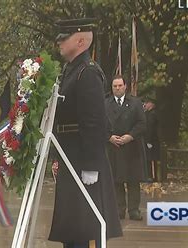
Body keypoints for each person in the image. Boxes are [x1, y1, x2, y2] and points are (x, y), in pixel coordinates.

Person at [49, 18, 123, 248]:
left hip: (82, 157)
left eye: (64, 38)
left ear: (80, 41)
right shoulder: (71, 70)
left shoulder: (87, 73)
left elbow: (94, 123)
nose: (58, 43)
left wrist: (91, 165)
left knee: (85, 225)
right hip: (70, 153)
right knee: (73, 226)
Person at [106, 75, 147, 221]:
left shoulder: (135, 103)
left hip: (132, 147)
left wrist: (130, 136)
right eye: (114, 86)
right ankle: (119, 209)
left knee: (133, 180)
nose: (117, 88)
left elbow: (142, 124)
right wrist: (109, 137)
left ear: (125, 87)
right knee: (116, 180)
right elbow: (100, 124)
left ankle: (134, 210)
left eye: (119, 86)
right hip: (113, 147)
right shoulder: (106, 104)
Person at [143, 100, 162, 182]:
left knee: (151, 159)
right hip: (152, 140)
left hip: (152, 141)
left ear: (151, 104)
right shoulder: (150, 114)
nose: (145, 105)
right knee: (150, 158)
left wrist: (148, 141)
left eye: (147, 103)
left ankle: (152, 176)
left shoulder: (152, 114)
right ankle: (150, 176)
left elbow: (150, 128)